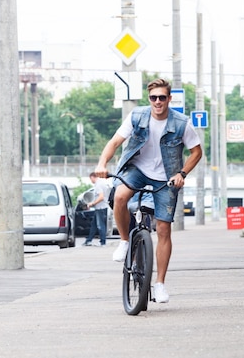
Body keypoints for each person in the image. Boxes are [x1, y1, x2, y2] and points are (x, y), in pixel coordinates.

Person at [94, 78, 203, 303]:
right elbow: (114, 142)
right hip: (138, 170)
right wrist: (102, 164)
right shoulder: (137, 116)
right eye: (154, 97)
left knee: (163, 229)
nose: (158, 101)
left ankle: (160, 284)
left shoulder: (181, 123)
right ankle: (125, 241)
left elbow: (196, 152)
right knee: (121, 197)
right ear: (149, 99)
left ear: (169, 99)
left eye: (162, 97)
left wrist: (182, 174)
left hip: (166, 177)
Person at [82, 172, 109, 247]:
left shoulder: (98, 185)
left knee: (100, 225)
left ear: (93, 177)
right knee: (94, 225)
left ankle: (103, 242)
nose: (91, 181)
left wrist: (92, 203)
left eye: (90, 179)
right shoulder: (102, 183)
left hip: (101, 207)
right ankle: (89, 240)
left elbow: (101, 197)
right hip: (101, 207)